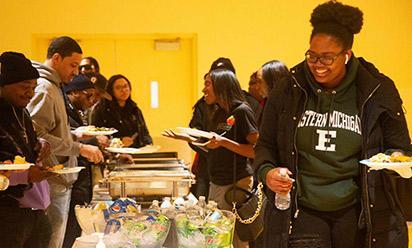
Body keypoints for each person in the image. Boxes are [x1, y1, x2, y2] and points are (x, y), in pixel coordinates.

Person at [254, 1, 411, 248]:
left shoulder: (378, 89)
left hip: (358, 213)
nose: (317, 64)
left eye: (327, 58)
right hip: (302, 210)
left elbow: (400, 147)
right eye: (312, 56)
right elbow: (265, 144)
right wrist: (267, 172)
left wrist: (394, 159)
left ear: (346, 55)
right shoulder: (289, 88)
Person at [27, 36, 104, 248]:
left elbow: (53, 131)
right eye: (72, 65)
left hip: (59, 180)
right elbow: (37, 136)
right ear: (57, 58)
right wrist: (79, 148)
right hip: (51, 180)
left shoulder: (54, 86)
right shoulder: (44, 88)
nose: (76, 72)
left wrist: (74, 133)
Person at [0, 52, 54, 247]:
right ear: (3, 84)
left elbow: (21, 143)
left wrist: (40, 143)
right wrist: (24, 176)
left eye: (33, 87)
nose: (30, 94)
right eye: (24, 87)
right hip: (7, 212)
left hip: (35, 208)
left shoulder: (20, 110)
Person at [204, 69, 258, 248]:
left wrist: (223, 142)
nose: (204, 89)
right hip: (217, 181)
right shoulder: (219, 111)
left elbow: (256, 150)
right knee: (217, 238)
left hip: (235, 182)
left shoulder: (241, 111)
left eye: (208, 84)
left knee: (236, 240)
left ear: (221, 86)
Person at [91, 74, 152, 148]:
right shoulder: (101, 110)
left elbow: (144, 132)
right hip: (112, 153)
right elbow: (96, 135)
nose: (123, 90)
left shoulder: (135, 109)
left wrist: (149, 144)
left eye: (125, 86)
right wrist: (119, 141)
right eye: (118, 88)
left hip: (137, 151)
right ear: (111, 91)